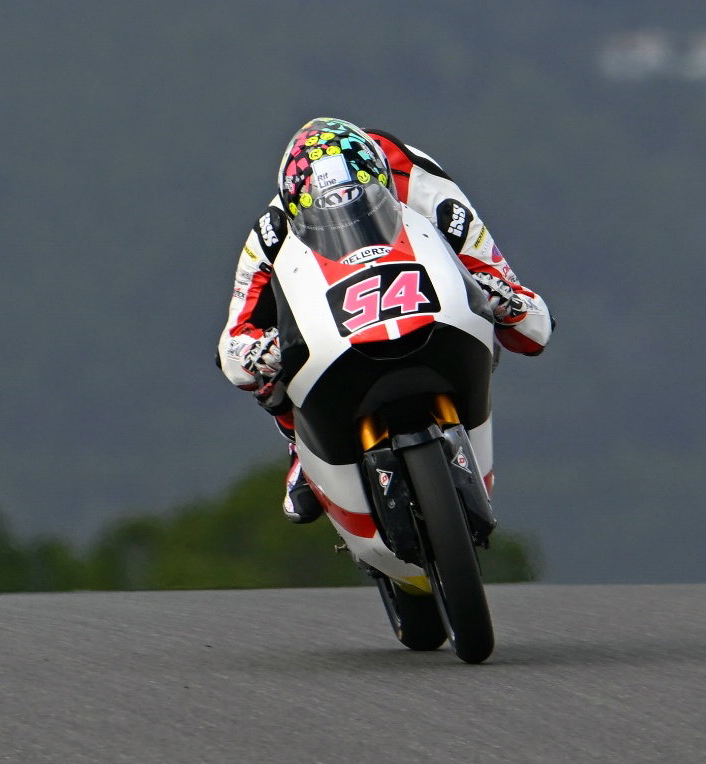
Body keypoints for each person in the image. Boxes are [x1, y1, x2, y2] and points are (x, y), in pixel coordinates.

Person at [217, 117, 553, 523]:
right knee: (265, 369)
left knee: (491, 308)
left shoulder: (432, 195)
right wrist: (257, 353)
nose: (349, 222)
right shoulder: (275, 227)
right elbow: (232, 343)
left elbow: (534, 327)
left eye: (362, 208)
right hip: (335, 318)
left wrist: (506, 301)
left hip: (425, 301)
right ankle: (300, 448)